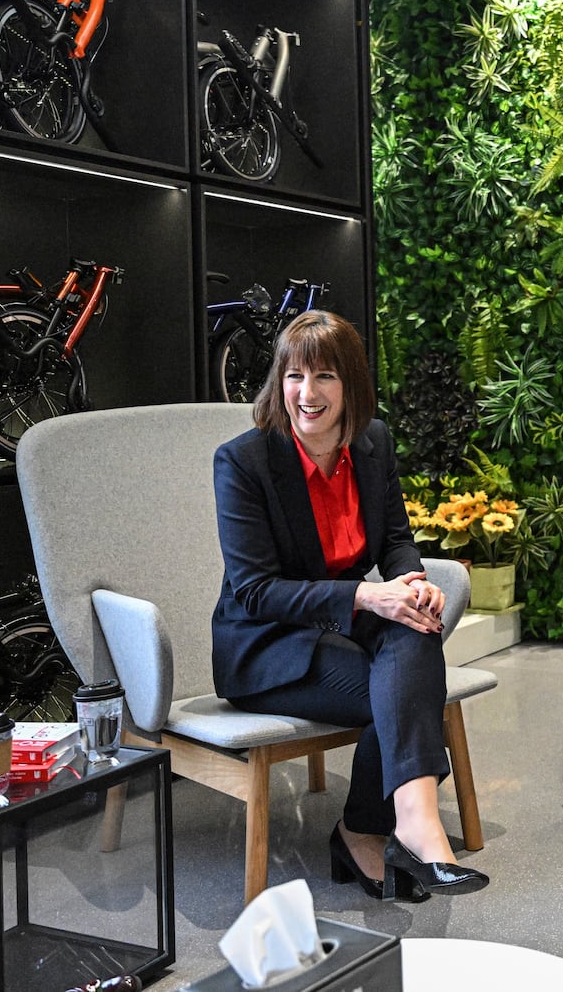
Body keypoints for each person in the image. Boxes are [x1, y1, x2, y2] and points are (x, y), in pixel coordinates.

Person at [212, 310, 487, 902]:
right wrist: (368, 593)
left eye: (325, 378)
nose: (306, 394)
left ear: (351, 385)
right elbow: (255, 590)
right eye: (294, 376)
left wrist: (410, 580)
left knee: (415, 626)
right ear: (278, 381)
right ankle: (376, 827)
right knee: (399, 695)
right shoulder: (243, 462)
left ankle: (402, 823)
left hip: (337, 624)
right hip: (266, 643)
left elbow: (392, 538)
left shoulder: (372, 442)